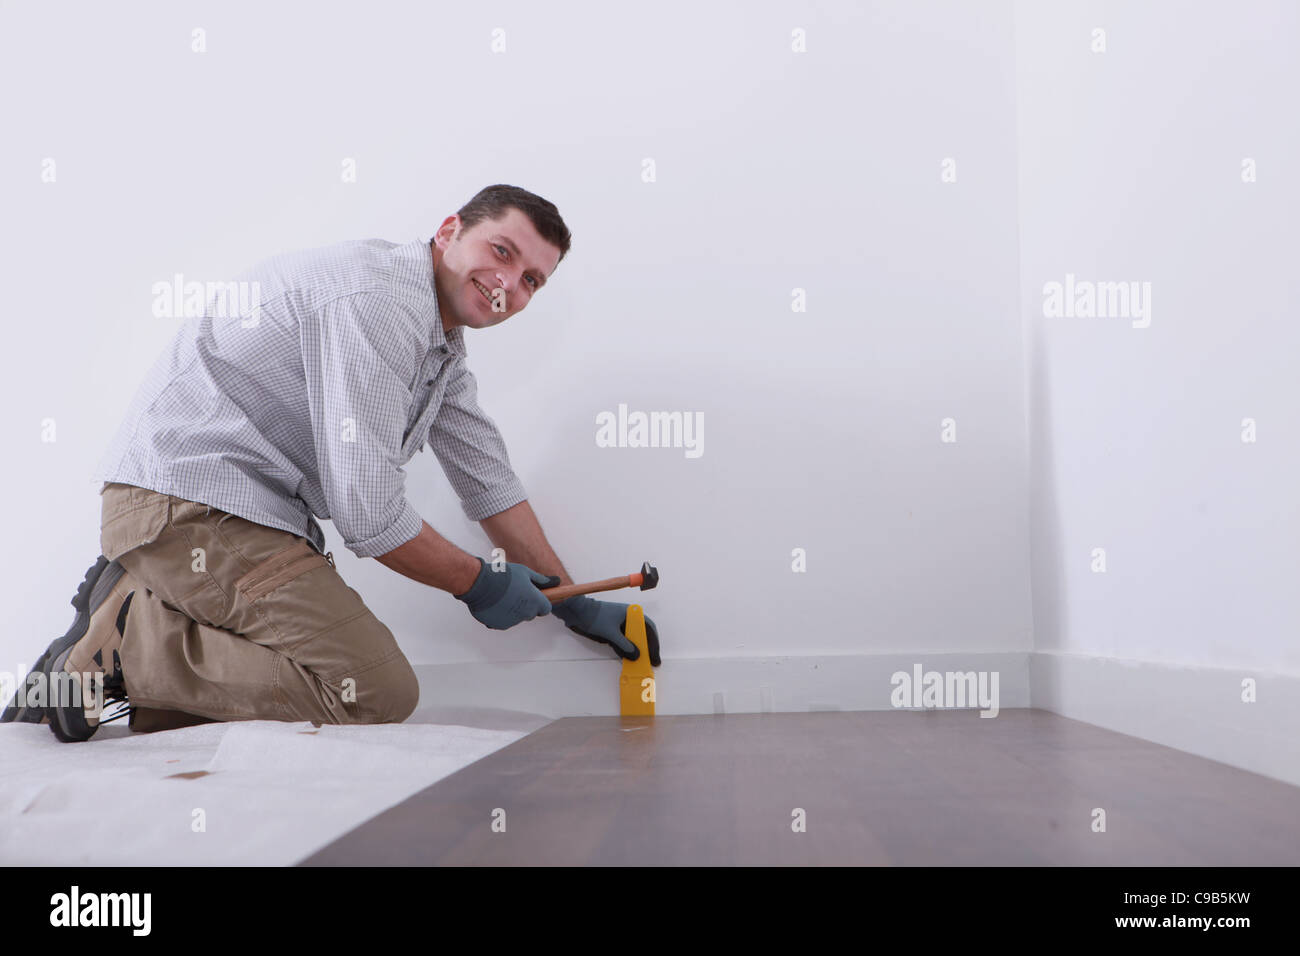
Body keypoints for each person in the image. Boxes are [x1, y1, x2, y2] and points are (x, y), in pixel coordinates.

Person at [2, 184, 661, 742]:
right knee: (371, 692)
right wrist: (478, 584)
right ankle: (128, 642)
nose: (508, 286)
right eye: (502, 252)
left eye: (531, 281)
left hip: (230, 515)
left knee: (215, 726)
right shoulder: (379, 304)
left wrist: (571, 600)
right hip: (189, 509)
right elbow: (371, 518)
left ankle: (107, 668)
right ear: (449, 230)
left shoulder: (440, 352)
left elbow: (489, 485)